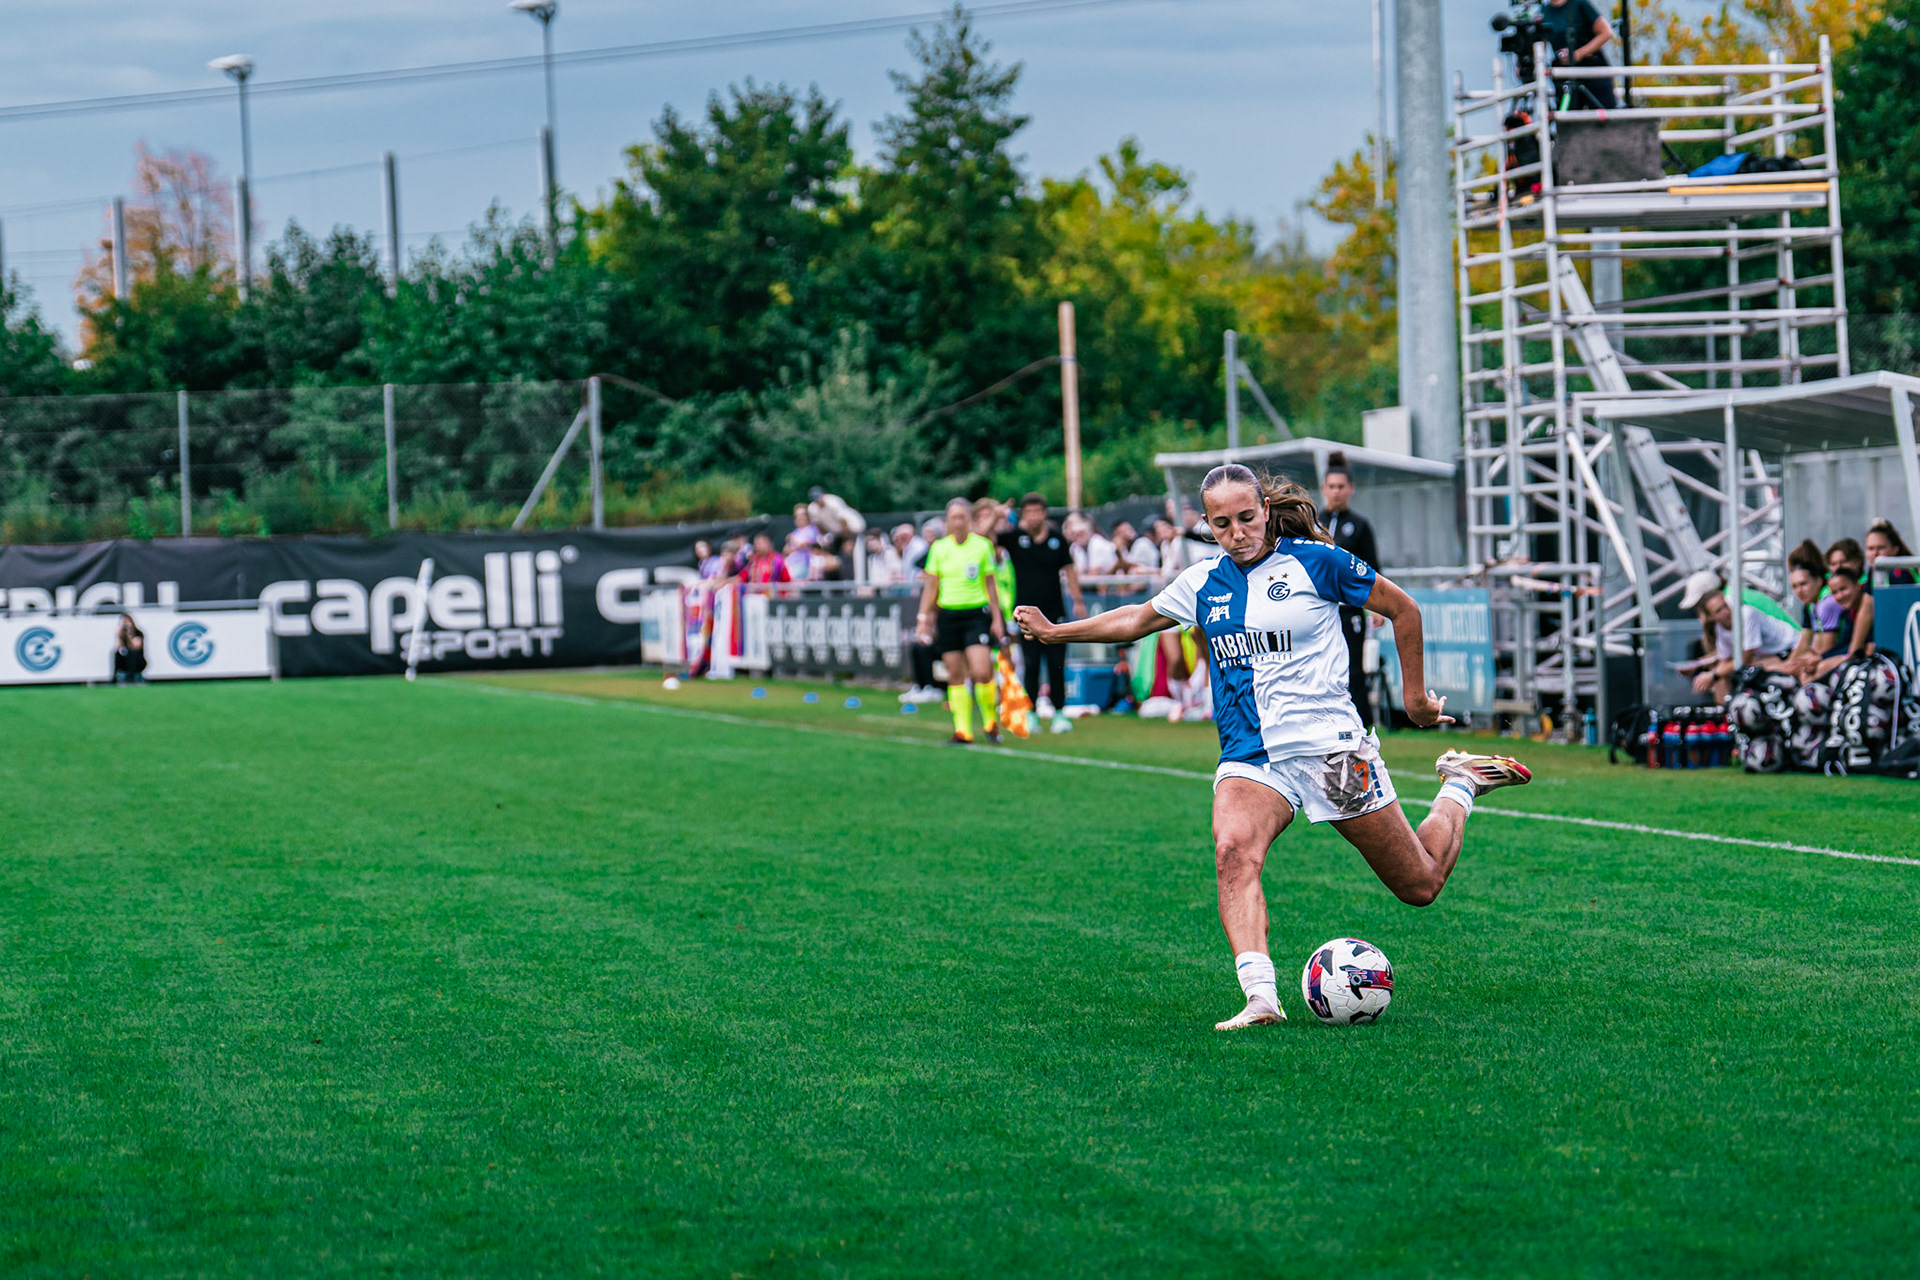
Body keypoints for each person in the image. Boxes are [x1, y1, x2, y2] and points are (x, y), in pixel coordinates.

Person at [1015, 463, 1532, 1030]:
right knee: (1232, 851)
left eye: (1245, 517)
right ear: (1208, 526)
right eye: (1221, 523)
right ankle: (1261, 997)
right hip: (1251, 755)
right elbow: (1136, 620)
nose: (1237, 532)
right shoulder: (1202, 581)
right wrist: (1056, 631)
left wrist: (1415, 703)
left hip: (1332, 751)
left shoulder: (1318, 562)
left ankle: (1459, 783)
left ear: (1264, 509)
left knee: (1420, 884)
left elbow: (1403, 609)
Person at [917, 497, 1007, 745]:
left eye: (962, 517)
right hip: (948, 616)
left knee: (981, 670)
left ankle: (990, 722)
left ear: (969, 519)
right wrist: (923, 618)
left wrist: (997, 619)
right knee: (955, 674)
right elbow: (931, 586)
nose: (957, 522)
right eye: (953, 517)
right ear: (947, 521)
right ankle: (963, 730)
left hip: (976, 614)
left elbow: (991, 586)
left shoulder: (982, 546)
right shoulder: (939, 548)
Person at [998, 492, 1087, 731]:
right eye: (1028, 512)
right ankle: (1031, 712)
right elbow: (984, 538)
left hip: (1054, 612)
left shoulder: (1057, 539)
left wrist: (1077, 600)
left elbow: (1069, 571)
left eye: (1037, 511)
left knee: (1057, 663)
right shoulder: (1014, 538)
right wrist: (998, 512)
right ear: (1023, 515)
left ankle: (1059, 713)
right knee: (1031, 663)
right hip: (1025, 613)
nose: (1033, 516)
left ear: (1044, 513)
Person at [1319, 451, 1381, 730]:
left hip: (1349, 611)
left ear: (1350, 489)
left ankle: (1362, 726)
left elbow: (1373, 568)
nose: (1336, 492)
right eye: (1331, 486)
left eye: (1341, 487)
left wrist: (1377, 606)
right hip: (1318, 611)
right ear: (1323, 489)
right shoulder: (1313, 523)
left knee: (1353, 668)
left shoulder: (1359, 526)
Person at [1677, 570, 1799, 699]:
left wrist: (1713, 673)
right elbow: (1728, 656)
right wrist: (1700, 665)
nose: (1699, 612)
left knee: (1746, 668)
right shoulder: (1730, 603)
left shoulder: (1737, 605)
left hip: (1791, 649)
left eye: (1699, 605)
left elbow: (1744, 657)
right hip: (1773, 649)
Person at [1541, 0, 1617, 108]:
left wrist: (1577, 55)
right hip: (1565, 77)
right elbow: (1540, 45)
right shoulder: (1544, 12)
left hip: (1593, 73)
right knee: (1567, 117)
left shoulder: (1579, 4)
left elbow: (1606, 32)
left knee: (1604, 116)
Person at [1063, 514, 1118, 578]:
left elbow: (1094, 572)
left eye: (1081, 533)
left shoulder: (1097, 543)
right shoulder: (1077, 547)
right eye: (1076, 535)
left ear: (1089, 532)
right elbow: (1078, 571)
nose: (1078, 537)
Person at [1865, 518, 1917, 586]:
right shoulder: (1872, 571)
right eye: (1870, 549)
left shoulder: (1899, 573)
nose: (1875, 553)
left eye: (1881, 548)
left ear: (1895, 550)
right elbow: (1868, 596)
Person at [113, 613, 147, 684]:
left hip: (138, 660)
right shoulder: (122, 634)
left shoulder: (138, 633)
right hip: (125, 661)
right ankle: (115, 677)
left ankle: (132, 677)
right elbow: (119, 648)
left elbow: (136, 647)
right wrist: (119, 636)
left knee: (131, 653)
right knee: (117, 654)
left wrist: (129, 635)